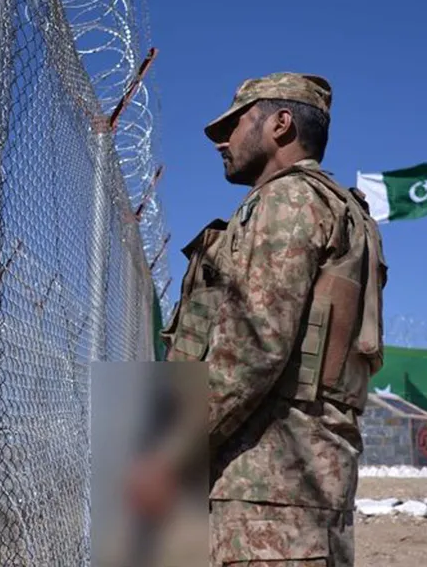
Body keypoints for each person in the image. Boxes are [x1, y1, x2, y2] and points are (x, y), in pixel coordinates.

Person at [125, 72, 388, 566]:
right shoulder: (342, 209)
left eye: (234, 123)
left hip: (266, 487)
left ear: (280, 124)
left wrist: (159, 450)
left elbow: (252, 347)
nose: (221, 140)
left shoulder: (288, 200)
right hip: (298, 485)